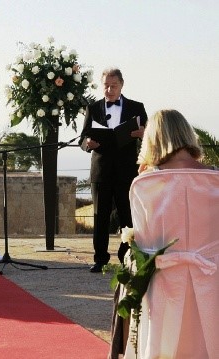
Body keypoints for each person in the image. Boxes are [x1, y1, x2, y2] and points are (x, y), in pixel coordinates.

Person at [109, 109, 218, 358]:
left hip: (164, 287)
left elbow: (144, 248)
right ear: (188, 136)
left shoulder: (146, 185)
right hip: (213, 282)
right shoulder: (215, 179)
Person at [79, 67, 148, 273]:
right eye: (106, 86)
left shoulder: (137, 107)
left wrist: (143, 133)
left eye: (113, 86)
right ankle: (100, 259)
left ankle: (127, 256)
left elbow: (150, 136)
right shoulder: (93, 107)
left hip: (127, 170)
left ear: (121, 85)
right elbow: (82, 138)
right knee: (100, 216)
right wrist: (87, 143)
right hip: (101, 170)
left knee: (128, 215)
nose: (109, 90)